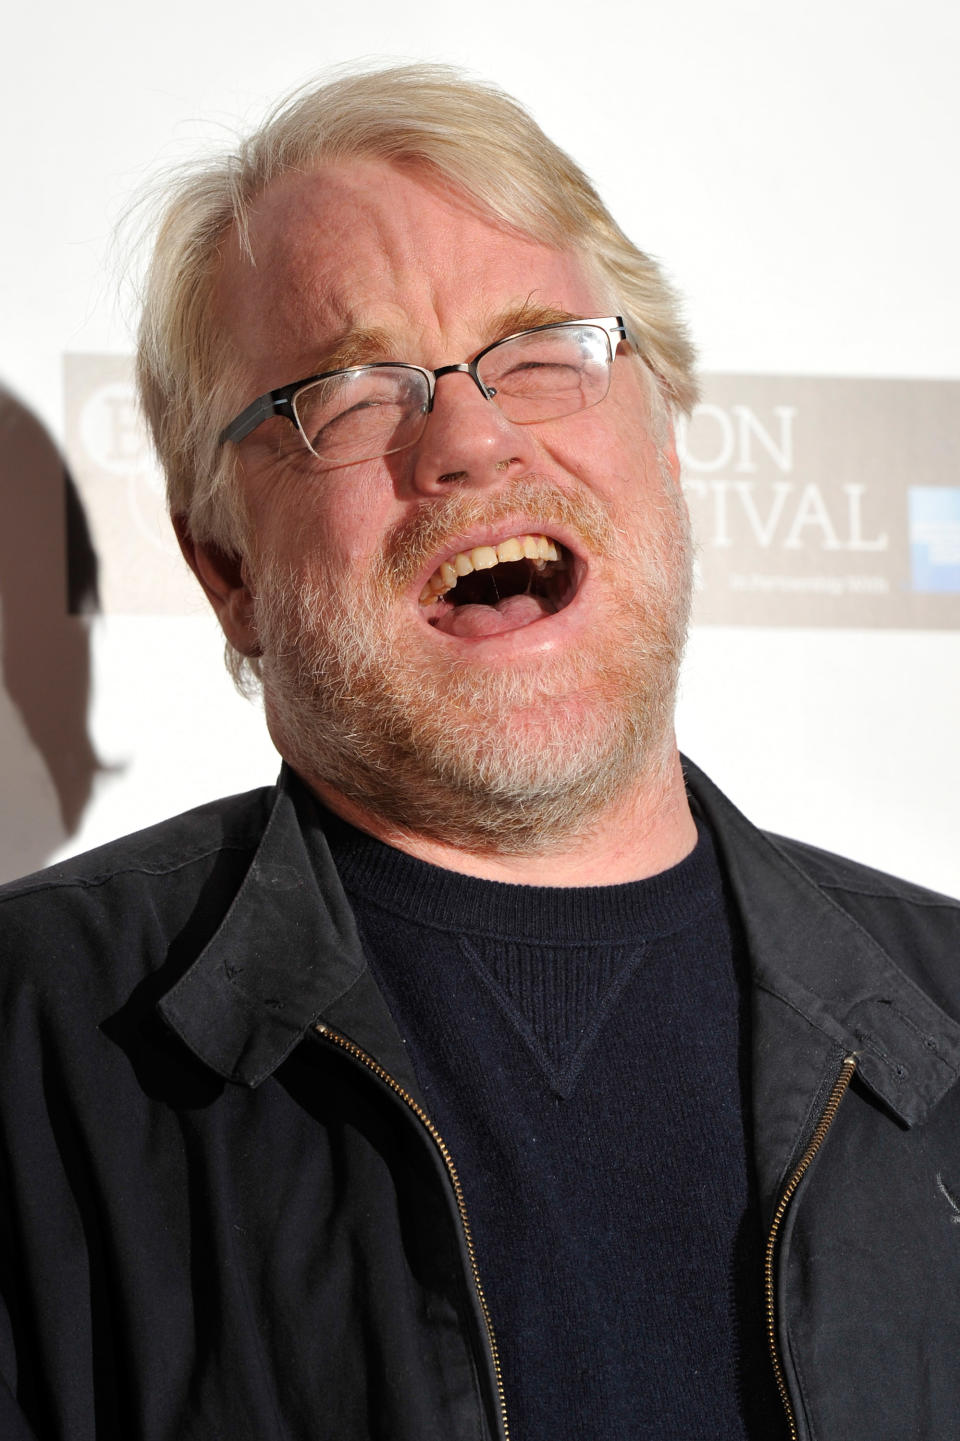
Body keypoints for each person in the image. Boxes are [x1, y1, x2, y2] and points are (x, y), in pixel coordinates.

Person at [1, 64, 959, 1441]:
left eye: (541, 349)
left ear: (668, 436)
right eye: (352, 391)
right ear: (228, 571)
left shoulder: (946, 1024)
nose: (470, 435)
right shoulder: (32, 1051)